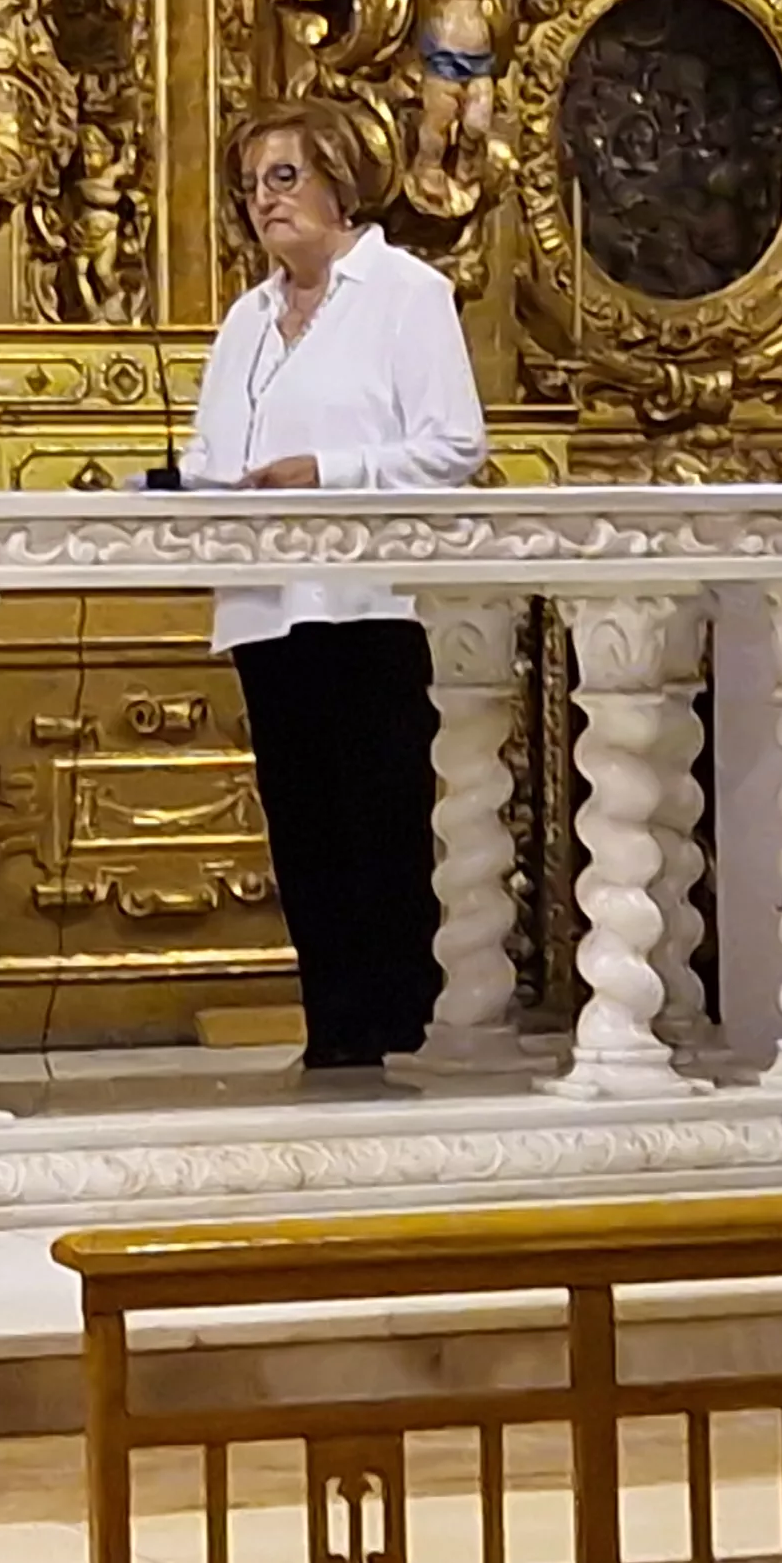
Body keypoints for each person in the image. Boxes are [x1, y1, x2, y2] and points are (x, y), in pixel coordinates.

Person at [180, 100, 487, 1071]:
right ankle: (333, 1031)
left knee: (376, 815)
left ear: (338, 182)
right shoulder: (248, 316)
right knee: (302, 822)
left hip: (364, 598)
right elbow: (212, 447)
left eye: (282, 176)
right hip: (267, 601)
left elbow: (454, 445)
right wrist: (194, 483)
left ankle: (392, 1021)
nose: (263, 200)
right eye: (250, 185)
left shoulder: (406, 292)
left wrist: (329, 471)